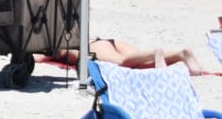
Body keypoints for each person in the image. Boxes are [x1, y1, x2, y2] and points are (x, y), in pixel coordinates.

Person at [49, 39, 211, 76]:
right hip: (109, 41)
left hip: (94, 45)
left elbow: (61, 54)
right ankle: (181, 54)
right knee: (139, 63)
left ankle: (155, 52)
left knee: (123, 63)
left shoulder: (61, 50)